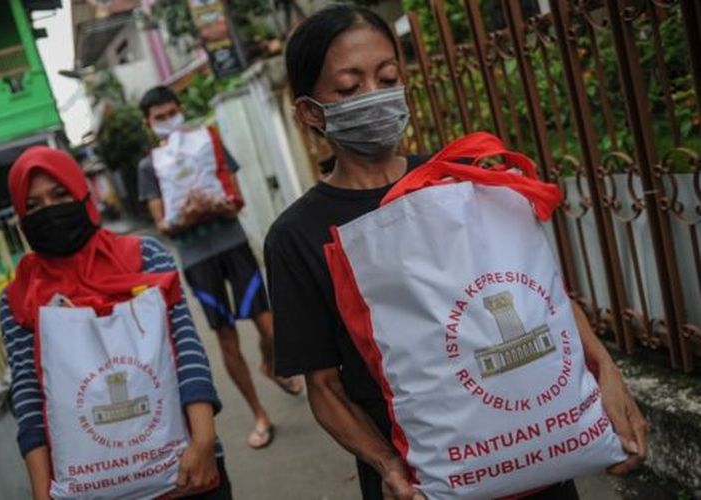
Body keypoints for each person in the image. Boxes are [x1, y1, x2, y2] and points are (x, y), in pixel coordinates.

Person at [264, 5, 648, 500]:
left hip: (540, 456)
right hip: (427, 481)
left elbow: (542, 299)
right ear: (310, 112)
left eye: (387, 78)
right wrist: (388, 465)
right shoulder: (295, 236)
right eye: (349, 88)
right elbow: (324, 387)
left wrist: (608, 376)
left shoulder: (461, 183)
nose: (375, 97)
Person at [1, 146, 230, 499]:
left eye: (60, 195)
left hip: (187, 470)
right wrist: (41, 492)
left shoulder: (144, 256)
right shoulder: (19, 296)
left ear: (83, 194)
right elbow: (29, 397)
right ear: (21, 217)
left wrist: (202, 442)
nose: (49, 210)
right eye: (33, 205)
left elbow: (185, 351)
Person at [138, 86, 302, 450]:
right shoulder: (149, 166)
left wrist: (222, 206)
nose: (168, 121)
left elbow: (235, 195)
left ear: (181, 109)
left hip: (233, 243)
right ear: (148, 124)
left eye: (171, 113)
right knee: (226, 337)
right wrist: (185, 217)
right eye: (159, 118)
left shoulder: (207, 143)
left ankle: (270, 364)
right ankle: (260, 414)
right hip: (196, 259)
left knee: (269, 327)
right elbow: (162, 223)